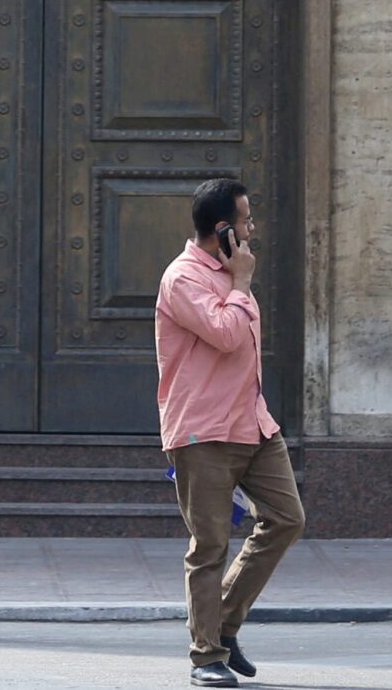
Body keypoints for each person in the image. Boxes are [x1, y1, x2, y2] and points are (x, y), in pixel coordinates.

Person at [156, 176, 304, 688]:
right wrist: (241, 284)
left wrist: (238, 281)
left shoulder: (228, 270)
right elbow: (223, 334)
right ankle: (207, 656)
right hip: (204, 432)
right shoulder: (183, 278)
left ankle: (224, 624)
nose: (252, 227)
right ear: (223, 229)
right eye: (245, 220)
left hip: (254, 423)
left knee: (286, 518)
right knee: (210, 545)